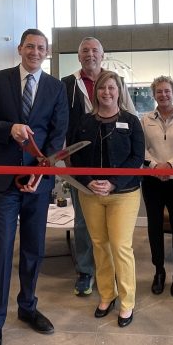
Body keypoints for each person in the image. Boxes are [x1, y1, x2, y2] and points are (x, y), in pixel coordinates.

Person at [0, 29, 69, 345]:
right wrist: (9, 128)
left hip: (37, 180)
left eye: (41, 48)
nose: (35, 52)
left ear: (47, 52)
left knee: (34, 247)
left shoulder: (56, 88)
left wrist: (42, 171)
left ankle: (28, 307)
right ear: (20, 49)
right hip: (2, 181)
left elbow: (59, 135)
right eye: (30, 46)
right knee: (1, 250)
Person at [70, 70, 145, 327]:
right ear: (95, 92)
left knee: (120, 246)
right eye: (102, 88)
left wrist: (113, 182)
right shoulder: (84, 122)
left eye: (112, 88)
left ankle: (127, 302)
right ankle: (106, 294)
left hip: (123, 194)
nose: (107, 92)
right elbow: (76, 156)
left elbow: (136, 159)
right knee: (99, 244)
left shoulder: (132, 121)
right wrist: (89, 180)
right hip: (90, 193)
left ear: (119, 90)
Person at [61, 36, 104, 297]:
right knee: (82, 221)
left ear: (103, 54)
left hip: (111, 163)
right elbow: (60, 121)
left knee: (113, 221)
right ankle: (86, 271)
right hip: (78, 164)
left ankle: (108, 269)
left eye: (95, 50)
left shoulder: (113, 81)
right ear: (79, 57)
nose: (90, 55)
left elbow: (130, 116)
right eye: (85, 51)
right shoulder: (66, 85)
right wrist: (64, 155)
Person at [141, 76, 173, 297]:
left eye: (167, 91)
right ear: (154, 95)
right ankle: (159, 271)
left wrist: (169, 165)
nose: (163, 95)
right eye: (159, 91)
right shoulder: (145, 119)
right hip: (152, 181)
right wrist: (154, 166)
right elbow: (140, 148)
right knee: (155, 227)